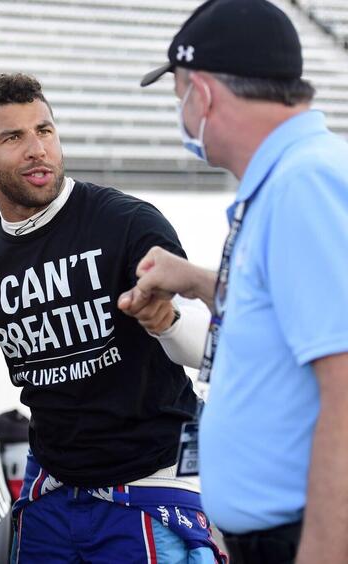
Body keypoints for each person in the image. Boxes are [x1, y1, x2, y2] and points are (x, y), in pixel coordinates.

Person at [0, 73, 225, 563]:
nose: (37, 149)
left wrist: (164, 321)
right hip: (52, 495)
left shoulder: (126, 223)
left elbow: (206, 347)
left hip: (149, 487)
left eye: (44, 130)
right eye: (13, 137)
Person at [118, 0, 348, 562]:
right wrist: (196, 281)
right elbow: (286, 306)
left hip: (298, 538)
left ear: (204, 93)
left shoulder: (305, 183)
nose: (181, 113)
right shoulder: (288, 178)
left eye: (178, 97)